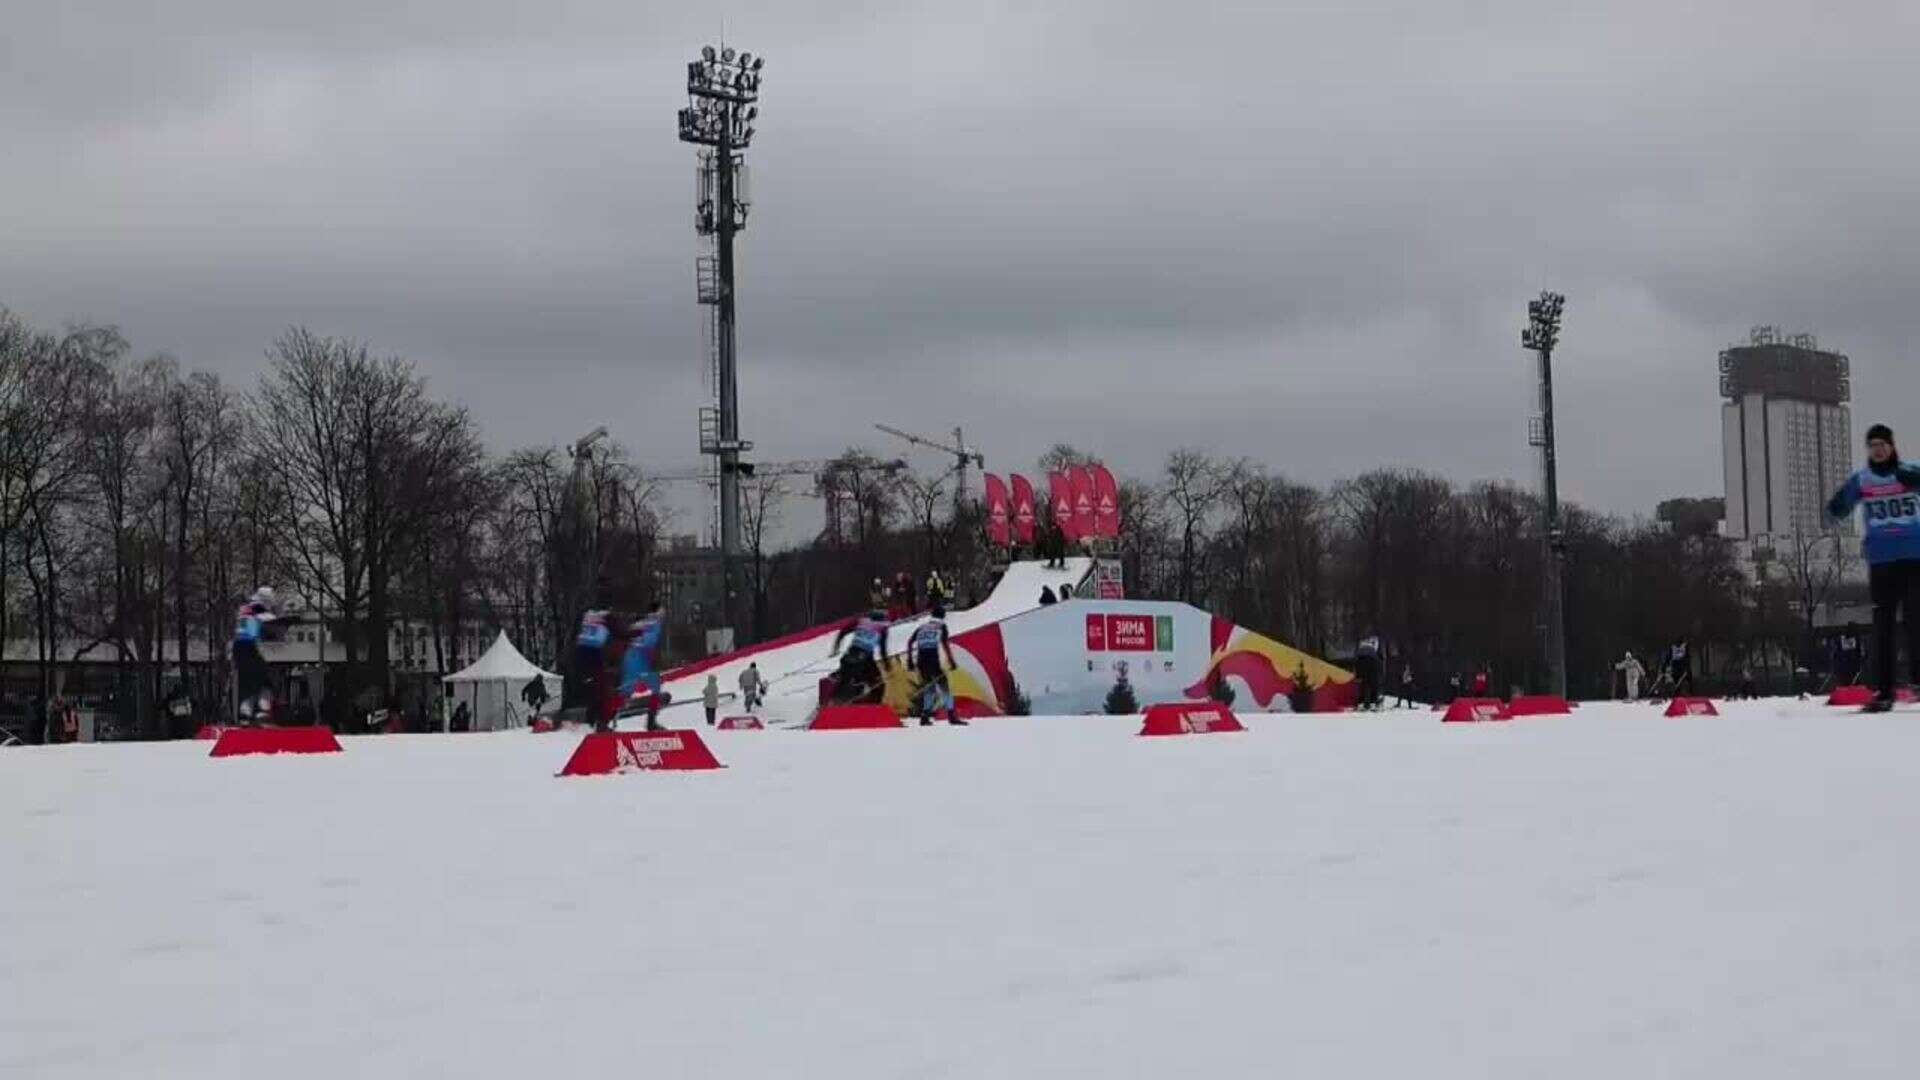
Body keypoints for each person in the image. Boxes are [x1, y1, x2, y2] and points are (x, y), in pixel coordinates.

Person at [1828, 422, 1920, 711]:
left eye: (1883, 445)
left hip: (1914, 557)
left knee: (1916, 619)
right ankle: (1884, 690)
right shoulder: (1863, 480)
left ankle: (1918, 680)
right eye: (1873, 446)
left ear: (1892, 447)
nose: (1878, 450)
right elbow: (1839, 507)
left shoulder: (1909, 472)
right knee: (1883, 625)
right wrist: (1836, 507)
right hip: (1881, 561)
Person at [908, 605, 966, 726]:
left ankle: (924, 716)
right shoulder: (941, 627)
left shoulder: (922, 627)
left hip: (921, 662)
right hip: (933, 661)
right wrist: (952, 661)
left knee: (930, 688)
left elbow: (910, 642)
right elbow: (945, 645)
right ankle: (952, 716)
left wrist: (910, 661)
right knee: (944, 686)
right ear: (943, 616)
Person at [232, 586, 280, 723]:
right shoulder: (258, 609)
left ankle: (245, 713)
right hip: (248, 647)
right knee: (265, 681)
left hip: (239, 648)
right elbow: (267, 620)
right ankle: (262, 710)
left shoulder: (246, 608)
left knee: (249, 684)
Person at [618, 602, 668, 731]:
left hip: (634, 658)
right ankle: (651, 722)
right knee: (628, 691)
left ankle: (651, 721)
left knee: (649, 688)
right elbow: (649, 642)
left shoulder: (645, 622)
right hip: (638, 660)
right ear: (657, 612)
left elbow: (631, 634)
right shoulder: (654, 623)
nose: (664, 614)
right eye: (662, 611)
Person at [830, 608, 891, 704]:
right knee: (878, 685)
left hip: (850, 654)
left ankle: (835, 701)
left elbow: (843, 632)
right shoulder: (882, 627)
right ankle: (871, 709)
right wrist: (887, 664)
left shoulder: (861, 621)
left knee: (847, 682)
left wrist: (836, 647)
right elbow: (882, 648)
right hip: (866, 658)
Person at [572, 605, 611, 727]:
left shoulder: (586, 627)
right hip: (592, 661)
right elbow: (599, 641)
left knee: (593, 692)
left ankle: (592, 720)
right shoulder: (598, 627)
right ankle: (598, 721)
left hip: (584, 661)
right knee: (598, 692)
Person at [1354, 633, 1382, 711]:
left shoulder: (1361, 650)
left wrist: (1357, 675)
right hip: (1372, 668)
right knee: (1373, 686)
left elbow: (1357, 663)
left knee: (1363, 687)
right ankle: (1373, 703)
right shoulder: (1373, 650)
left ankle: (1362, 703)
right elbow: (1377, 664)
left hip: (1362, 668)